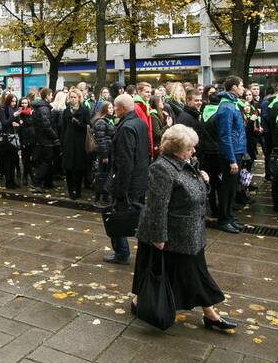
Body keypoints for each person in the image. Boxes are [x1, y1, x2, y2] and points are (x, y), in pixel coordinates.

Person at [131, 124, 236, 334]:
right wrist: (159, 237)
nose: (193, 151)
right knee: (183, 273)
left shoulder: (187, 163)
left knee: (182, 273)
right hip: (172, 234)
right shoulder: (162, 168)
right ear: (177, 150)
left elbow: (195, 194)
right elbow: (157, 205)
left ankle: (140, 302)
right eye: (189, 148)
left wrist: (203, 181)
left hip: (189, 232)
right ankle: (210, 314)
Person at [105, 93, 149, 264]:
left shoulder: (125, 128)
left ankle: (122, 253)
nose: (114, 110)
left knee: (117, 216)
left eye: (115, 107)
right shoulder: (140, 122)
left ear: (122, 108)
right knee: (140, 216)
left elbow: (125, 162)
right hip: (140, 179)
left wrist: (121, 190)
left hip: (129, 182)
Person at [208, 76, 248, 233]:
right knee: (227, 188)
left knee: (232, 188)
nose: (243, 89)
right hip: (230, 154)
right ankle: (223, 220)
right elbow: (225, 136)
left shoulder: (233, 104)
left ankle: (229, 216)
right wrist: (232, 160)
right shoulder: (227, 107)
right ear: (233, 88)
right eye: (241, 86)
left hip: (236, 151)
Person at [61, 89, 90, 199]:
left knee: (79, 168)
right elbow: (63, 128)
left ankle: (78, 190)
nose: (72, 99)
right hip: (68, 143)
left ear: (79, 98)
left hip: (80, 143)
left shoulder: (84, 110)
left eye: (74, 97)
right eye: (71, 97)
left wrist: (78, 123)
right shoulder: (66, 111)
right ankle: (70, 191)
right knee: (68, 168)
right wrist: (62, 142)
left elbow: (88, 126)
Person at [31, 88, 59, 194]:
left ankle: (48, 182)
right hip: (46, 140)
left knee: (47, 162)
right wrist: (55, 136)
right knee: (46, 162)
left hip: (42, 139)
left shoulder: (41, 107)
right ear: (47, 96)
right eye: (51, 95)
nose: (52, 97)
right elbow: (46, 126)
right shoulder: (44, 109)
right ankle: (36, 182)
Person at [91, 102, 115, 205]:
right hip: (104, 153)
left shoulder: (109, 120)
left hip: (108, 151)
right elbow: (101, 140)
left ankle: (104, 195)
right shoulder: (101, 122)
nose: (111, 109)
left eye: (112, 107)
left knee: (105, 174)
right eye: (109, 107)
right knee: (102, 174)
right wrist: (104, 155)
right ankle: (100, 196)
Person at [0, 93, 23, 188]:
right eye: (12, 101)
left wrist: (19, 122)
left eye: (15, 101)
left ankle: (13, 180)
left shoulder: (15, 109)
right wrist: (13, 116)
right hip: (7, 138)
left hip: (15, 137)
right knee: (8, 162)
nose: (14, 103)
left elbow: (17, 123)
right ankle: (8, 182)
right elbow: (5, 123)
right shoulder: (3, 109)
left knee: (14, 161)